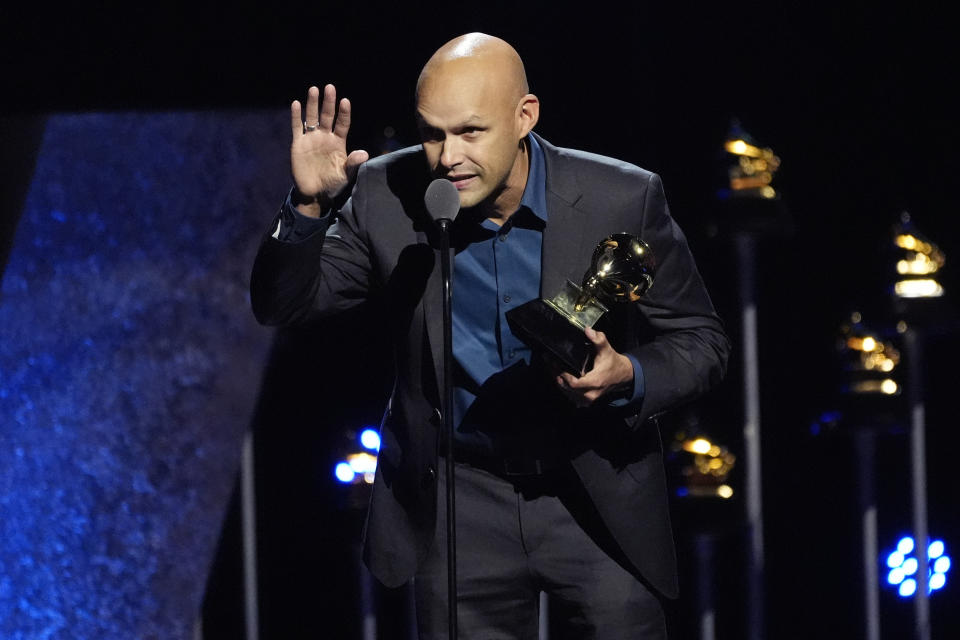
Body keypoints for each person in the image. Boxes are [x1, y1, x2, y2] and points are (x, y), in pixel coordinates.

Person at [251, 32, 728, 639]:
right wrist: (308, 208)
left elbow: (701, 341)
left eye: (470, 132)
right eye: (431, 133)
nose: (447, 156)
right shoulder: (386, 195)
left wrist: (628, 377)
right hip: (458, 501)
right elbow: (284, 306)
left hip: (592, 490)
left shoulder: (622, 197)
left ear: (524, 116)